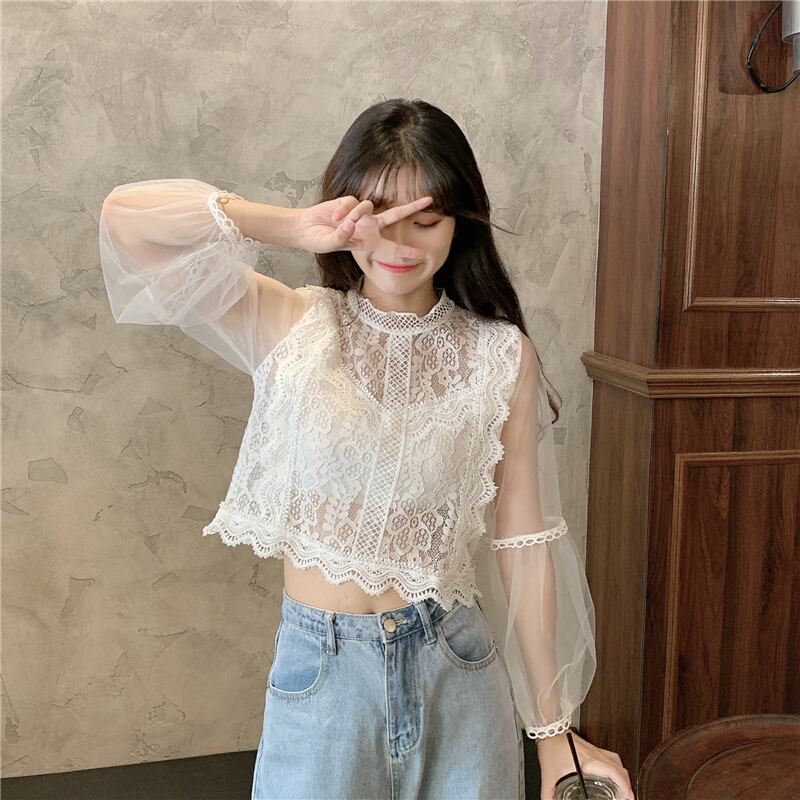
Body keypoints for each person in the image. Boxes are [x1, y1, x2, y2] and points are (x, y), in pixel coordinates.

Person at [98, 98, 634, 800]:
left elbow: (523, 543)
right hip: (322, 682)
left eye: (426, 219)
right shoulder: (290, 324)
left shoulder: (501, 355)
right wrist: (293, 225)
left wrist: (553, 733)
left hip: (458, 673)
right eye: (376, 214)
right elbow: (127, 221)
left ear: (459, 223)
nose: (398, 242)